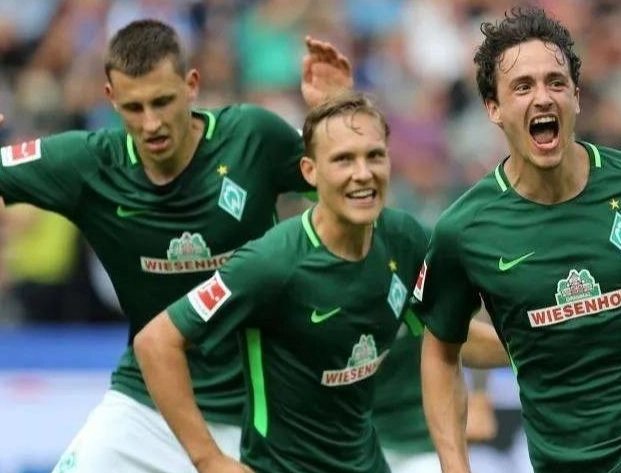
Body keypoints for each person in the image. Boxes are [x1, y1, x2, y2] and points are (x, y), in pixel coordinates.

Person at [0, 19, 353, 473]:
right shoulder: (88, 162)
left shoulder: (252, 136)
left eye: (163, 101)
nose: (151, 123)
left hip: (262, 411)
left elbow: (349, 195)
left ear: (191, 85)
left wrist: (339, 119)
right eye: (134, 107)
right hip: (147, 406)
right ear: (110, 98)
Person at [416, 6, 621, 473]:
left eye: (556, 82)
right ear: (494, 108)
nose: (543, 97)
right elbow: (441, 349)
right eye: (522, 86)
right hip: (570, 457)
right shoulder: (463, 231)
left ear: (576, 96)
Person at [133, 92, 508, 473]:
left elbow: (448, 338)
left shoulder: (403, 238)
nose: (363, 173)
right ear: (310, 171)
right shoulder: (271, 263)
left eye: (374, 156)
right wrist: (209, 459)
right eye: (344, 159)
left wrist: (531, 344)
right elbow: (156, 342)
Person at [373, 306, 500, 473]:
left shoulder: (418, 291)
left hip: (421, 440)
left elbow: (457, 327)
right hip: (355, 441)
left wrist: (479, 391)